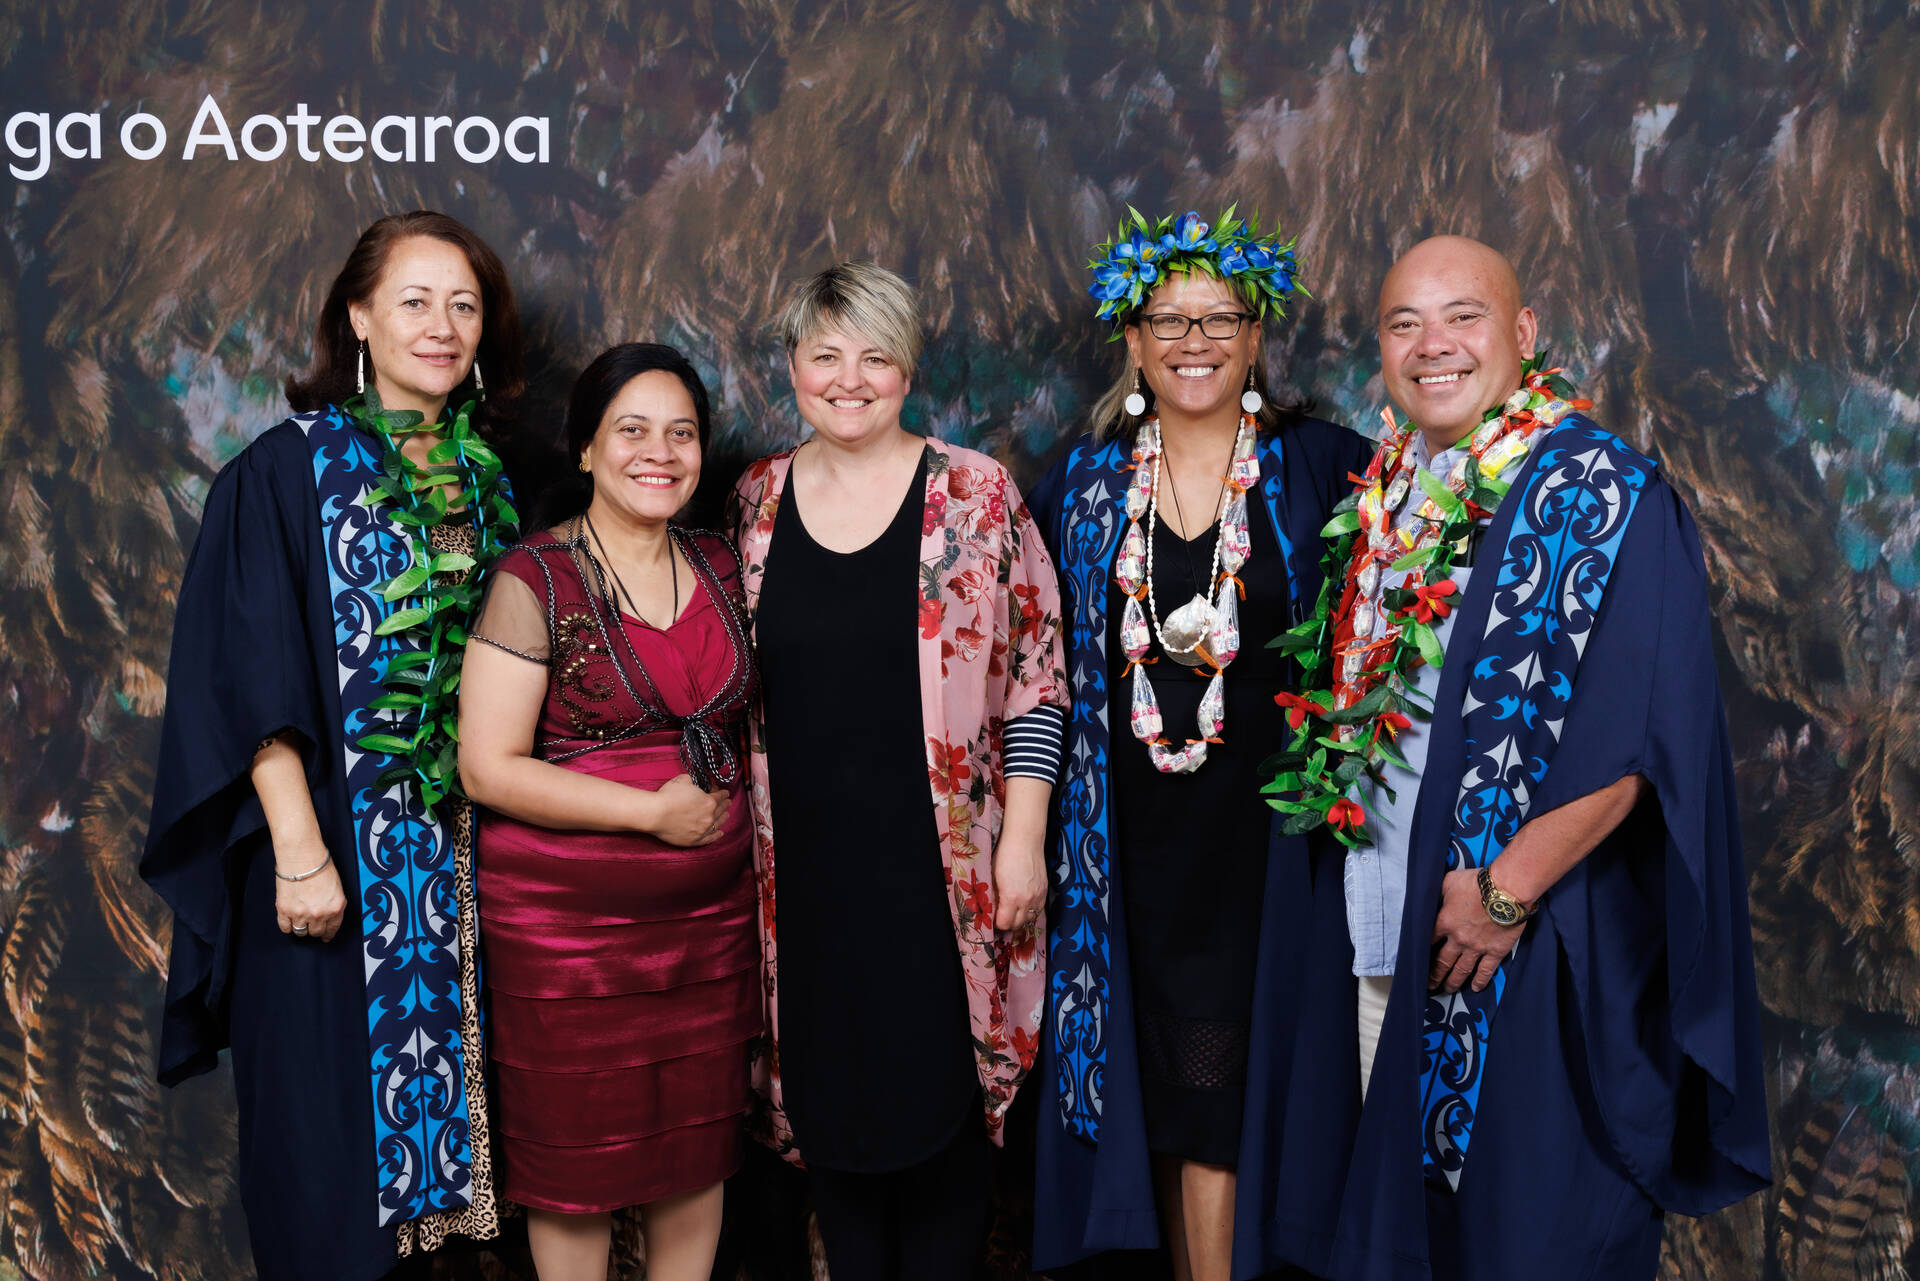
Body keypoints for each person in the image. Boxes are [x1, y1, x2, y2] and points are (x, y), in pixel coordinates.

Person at [1262, 235, 1770, 1280]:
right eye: (1404, 324)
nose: (1432, 346)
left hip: (1526, 950)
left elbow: (1649, 733)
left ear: (1525, 334)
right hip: (1378, 936)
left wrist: (1506, 891)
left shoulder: (1603, 491)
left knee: (1523, 1238)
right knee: (1406, 1239)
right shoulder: (1386, 494)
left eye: (1464, 317)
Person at [140, 210, 526, 1281]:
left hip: (459, 885)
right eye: (415, 300)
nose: (442, 327)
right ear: (358, 315)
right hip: (329, 884)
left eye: (464, 305)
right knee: (327, 1180)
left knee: (451, 1202)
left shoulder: (488, 486)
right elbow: (248, 668)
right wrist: (303, 854)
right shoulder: (283, 473)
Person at [1028, 209, 1372, 1281]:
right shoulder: (1081, 487)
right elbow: (1028, 663)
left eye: (1220, 317)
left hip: (1268, 855)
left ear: (1258, 335)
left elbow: (1406, 628)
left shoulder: (1325, 470)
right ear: (1132, 341)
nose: (1194, 339)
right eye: (1168, 318)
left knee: (1228, 1102)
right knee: (1163, 1093)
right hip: (1125, 850)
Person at [725, 261, 1069, 1281]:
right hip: (803, 895)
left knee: (941, 1153)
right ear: (792, 367)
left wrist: (1022, 842)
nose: (849, 379)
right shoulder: (754, 504)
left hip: (944, 886)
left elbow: (1038, 683)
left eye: (875, 357)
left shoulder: (975, 495)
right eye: (825, 356)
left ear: (908, 368)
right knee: (836, 1144)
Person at [458, 343, 759, 1281]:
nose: (658, 452)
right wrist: (647, 818)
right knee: (572, 1175)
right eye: (631, 430)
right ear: (585, 449)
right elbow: (487, 767)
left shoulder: (721, 560)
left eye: (681, 432)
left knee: (695, 1155)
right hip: (568, 944)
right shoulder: (534, 579)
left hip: (709, 935)